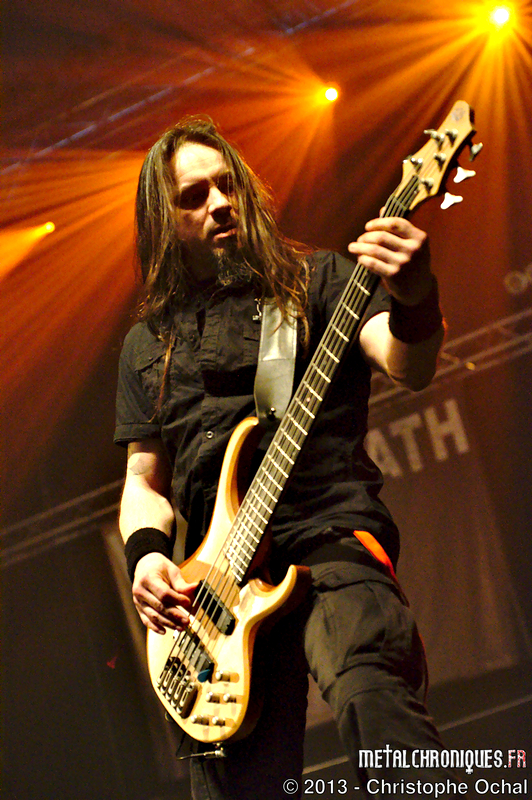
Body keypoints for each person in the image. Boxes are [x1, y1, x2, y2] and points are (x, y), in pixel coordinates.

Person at [115, 117, 461, 800]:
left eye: (227, 185)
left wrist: (417, 296)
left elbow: (408, 363)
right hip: (215, 597)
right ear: (164, 223)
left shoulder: (319, 281)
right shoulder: (146, 345)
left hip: (328, 540)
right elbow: (142, 480)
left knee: (372, 697)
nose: (219, 204)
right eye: (193, 197)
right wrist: (148, 557)